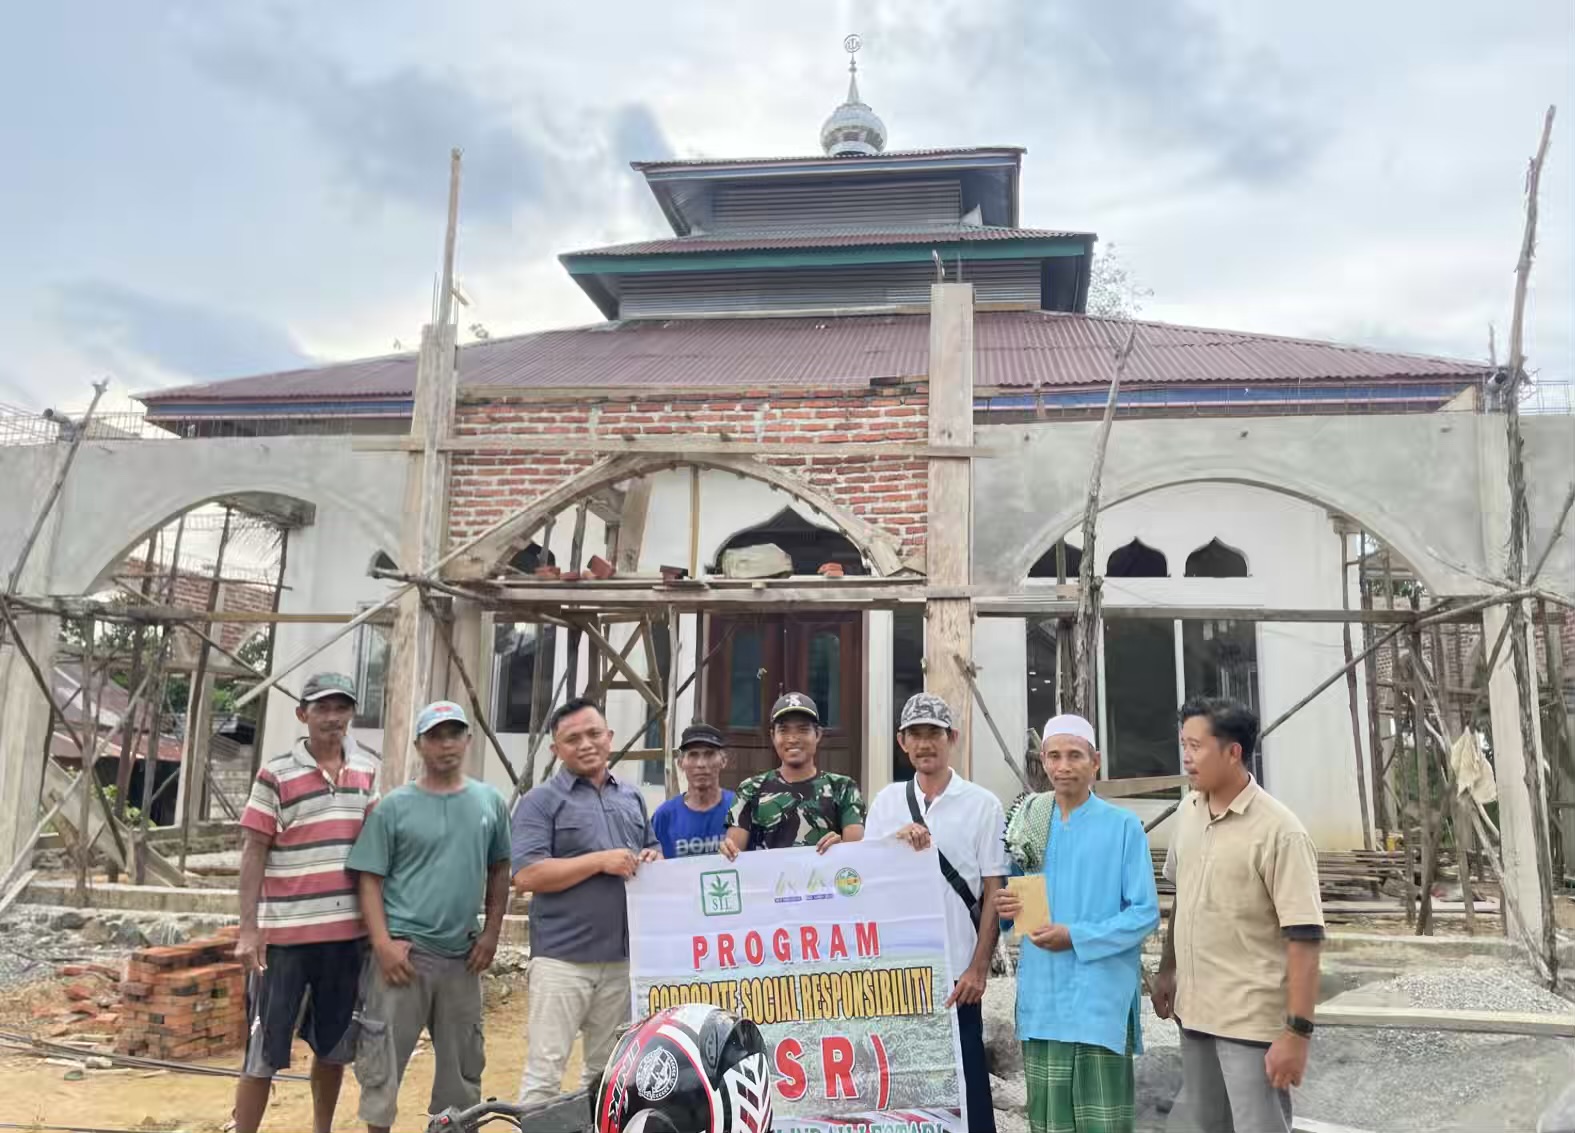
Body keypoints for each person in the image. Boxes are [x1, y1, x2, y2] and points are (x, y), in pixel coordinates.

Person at [1152, 697, 1324, 1133]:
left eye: (1196, 746)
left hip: (1249, 1022)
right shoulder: (1189, 811)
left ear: (1233, 752)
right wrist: (1168, 970)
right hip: (1194, 1012)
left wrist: (1297, 1034)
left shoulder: (1280, 832)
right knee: (1204, 1125)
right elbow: (1184, 897)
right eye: (1182, 745)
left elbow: (1304, 939)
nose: (1186, 758)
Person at [347, 700, 512, 1133]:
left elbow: (500, 869)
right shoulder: (393, 807)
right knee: (382, 1066)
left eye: (454, 734)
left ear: (468, 740)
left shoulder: (489, 802)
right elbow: (369, 879)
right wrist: (382, 945)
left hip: (463, 958)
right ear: (420, 744)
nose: (446, 744)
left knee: (461, 1071)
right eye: (436, 736)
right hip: (404, 958)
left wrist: (492, 933)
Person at [992, 714, 1159, 1133]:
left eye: (1074, 756)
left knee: (1101, 1121)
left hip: (1099, 997)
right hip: (1044, 995)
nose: (1063, 766)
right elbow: (1016, 903)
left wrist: (1076, 937)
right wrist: (1008, 909)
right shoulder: (1030, 820)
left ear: (1095, 762)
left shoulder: (1123, 827)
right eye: (1054, 756)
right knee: (1049, 1122)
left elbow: (1144, 914)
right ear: (1043, 762)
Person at [232, 672, 379, 1133]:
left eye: (341, 707)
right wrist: (248, 929)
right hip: (285, 941)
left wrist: (378, 931)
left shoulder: (367, 769)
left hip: (345, 940)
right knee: (263, 1051)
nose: (333, 717)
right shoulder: (276, 773)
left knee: (333, 1048)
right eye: (322, 708)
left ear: (352, 713)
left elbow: (374, 852)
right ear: (303, 715)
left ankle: (321, 1129)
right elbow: (254, 850)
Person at [864, 692, 1008, 1133]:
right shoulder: (887, 802)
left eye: (934, 734)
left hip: (955, 973)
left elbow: (993, 890)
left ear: (953, 739)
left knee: (966, 1082)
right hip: (899, 971)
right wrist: (893, 845)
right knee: (904, 1088)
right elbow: (865, 881)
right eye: (915, 735)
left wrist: (979, 968)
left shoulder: (983, 804)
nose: (925, 744)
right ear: (901, 741)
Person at [511, 697, 661, 1105]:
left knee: (607, 1076)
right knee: (545, 1075)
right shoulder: (539, 802)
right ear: (555, 749)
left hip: (621, 961)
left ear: (610, 738)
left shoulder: (631, 798)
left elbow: (651, 850)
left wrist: (651, 857)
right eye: (572, 738)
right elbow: (526, 875)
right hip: (562, 961)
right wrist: (599, 861)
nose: (585, 744)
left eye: (594, 733)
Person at [719, 692, 865, 858]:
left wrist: (842, 847)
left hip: (825, 882)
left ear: (818, 735)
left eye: (803, 730)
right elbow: (734, 854)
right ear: (773, 736)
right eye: (784, 730)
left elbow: (856, 855)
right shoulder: (750, 789)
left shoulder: (843, 788)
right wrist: (728, 851)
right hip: (768, 882)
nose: (793, 738)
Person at [651, 722, 736, 858]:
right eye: (693, 755)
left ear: (723, 761)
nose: (701, 764)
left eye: (709, 754)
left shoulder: (738, 808)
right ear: (680, 763)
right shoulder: (664, 817)